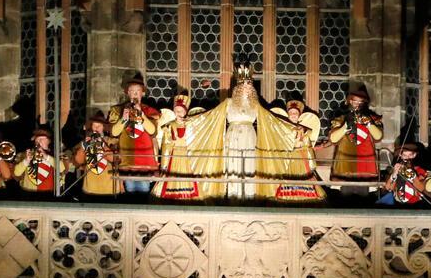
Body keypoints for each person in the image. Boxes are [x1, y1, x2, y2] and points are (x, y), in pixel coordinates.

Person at [162, 65, 316, 199]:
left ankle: (248, 196)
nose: (245, 86)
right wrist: (190, 119)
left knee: (248, 165)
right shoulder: (228, 103)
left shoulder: (256, 104)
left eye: (248, 83)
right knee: (233, 165)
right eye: (242, 83)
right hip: (233, 135)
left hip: (249, 136)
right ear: (236, 85)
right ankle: (233, 195)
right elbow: (210, 115)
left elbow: (273, 119)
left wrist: (293, 127)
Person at [109, 73, 165, 195]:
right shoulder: (117, 110)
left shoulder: (150, 111)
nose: (134, 94)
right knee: (129, 194)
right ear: (127, 93)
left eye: (137, 91)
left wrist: (142, 115)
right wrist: (123, 119)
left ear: (142, 93)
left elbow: (152, 131)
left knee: (143, 193)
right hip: (127, 160)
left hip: (144, 162)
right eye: (132, 91)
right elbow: (114, 133)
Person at [269, 96, 325, 201]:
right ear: (288, 115)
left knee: (304, 177)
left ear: (299, 115)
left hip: (301, 156)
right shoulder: (284, 127)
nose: (293, 115)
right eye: (291, 113)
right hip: (287, 157)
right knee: (286, 177)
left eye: (295, 113)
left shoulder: (304, 129)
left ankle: (303, 197)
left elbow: (308, 143)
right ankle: (287, 197)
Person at [326, 83, 384, 182]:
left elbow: (378, 137)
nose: (357, 105)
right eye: (355, 101)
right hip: (346, 162)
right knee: (344, 194)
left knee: (365, 195)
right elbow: (333, 139)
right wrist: (345, 126)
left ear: (364, 103)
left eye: (360, 102)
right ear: (350, 102)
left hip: (366, 163)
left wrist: (369, 123)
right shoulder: (340, 119)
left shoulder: (373, 119)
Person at [73, 112, 118, 198]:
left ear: (103, 128)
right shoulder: (85, 142)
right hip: (90, 187)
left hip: (108, 187)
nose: (96, 128)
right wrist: (83, 147)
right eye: (94, 126)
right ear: (91, 127)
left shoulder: (111, 141)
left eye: (99, 126)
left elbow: (115, 159)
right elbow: (78, 161)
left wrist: (102, 144)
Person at [14, 125, 61, 195]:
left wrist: (46, 156)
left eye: (43, 139)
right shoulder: (26, 154)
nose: (39, 141)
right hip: (28, 193)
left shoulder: (55, 155)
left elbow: (62, 168)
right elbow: (16, 173)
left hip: (48, 194)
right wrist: (26, 160)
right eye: (38, 139)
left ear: (49, 141)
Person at [377, 139, 427, 205]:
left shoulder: (420, 170)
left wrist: (413, 176)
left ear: (414, 155)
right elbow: (389, 188)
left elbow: (421, 188)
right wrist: (394, 174)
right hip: (398, 203)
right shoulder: (395, 168)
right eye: (405, 155)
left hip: (416, 204)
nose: (407, 158)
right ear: (400, 155)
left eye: (410, 155)